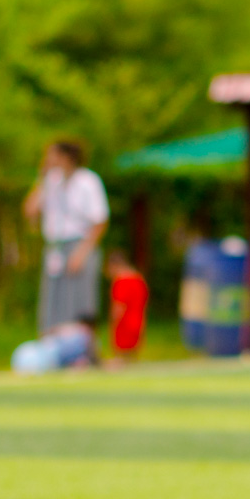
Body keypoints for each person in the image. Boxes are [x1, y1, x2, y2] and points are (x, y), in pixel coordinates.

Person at [23, 140, 109, 336]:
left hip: (80, 245)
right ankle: (51, 346)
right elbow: (30, 210)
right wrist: (42, 178)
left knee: (80, 301)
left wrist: (82, 253)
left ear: (66, 157)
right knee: (52, 300)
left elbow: (100, 220)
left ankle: (83, 349)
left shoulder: (88, 181)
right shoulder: (51, 181)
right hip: (55, 247)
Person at [105, 250, 149, 361]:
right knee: (132, 359)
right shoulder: (139, 279)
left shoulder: (121, 281)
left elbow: (118, 307)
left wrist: (111, 325)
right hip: (138, 322)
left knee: (121, 360)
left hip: (124, 325)